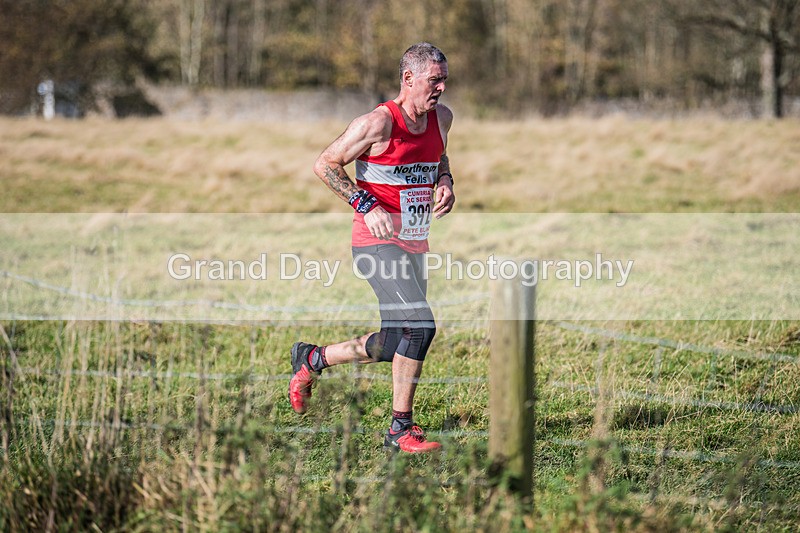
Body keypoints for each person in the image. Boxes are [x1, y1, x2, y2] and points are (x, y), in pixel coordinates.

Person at [288, 42, 455, 453]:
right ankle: (400, 430)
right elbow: (325, 164)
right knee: (421, 326)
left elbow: (439, 157)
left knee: (395, 341)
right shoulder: (377, 124)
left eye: (444, 81)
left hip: (415, 243)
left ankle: (313, 359)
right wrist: (365, 202)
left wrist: (446, 182)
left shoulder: (442, 119)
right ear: (408, 79)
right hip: (375, 244)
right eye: (434, 81)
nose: (441, 90)